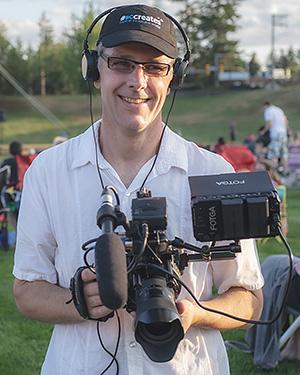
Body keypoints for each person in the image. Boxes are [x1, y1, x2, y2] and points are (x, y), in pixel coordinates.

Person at [13, 4, 263, 375]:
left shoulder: (212, 172)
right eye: (122, 64)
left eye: (155, 67)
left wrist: (196, 313)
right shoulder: (48, 172)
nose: (138, 81)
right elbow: (26, 289)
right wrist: (80, 301)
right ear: (94, 69)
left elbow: (249, 298)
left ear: (173, 77)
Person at [262, 101, 289, 175]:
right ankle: (285, 171)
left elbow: (269, 123)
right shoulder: (279, 110)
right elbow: (286, 121)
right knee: (284, 153)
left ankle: (274, 173)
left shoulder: (268, 111)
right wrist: (286, 130)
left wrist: (263, 132)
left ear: (265, 106)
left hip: (275, 133)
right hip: (283, 133)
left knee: (274, 153)